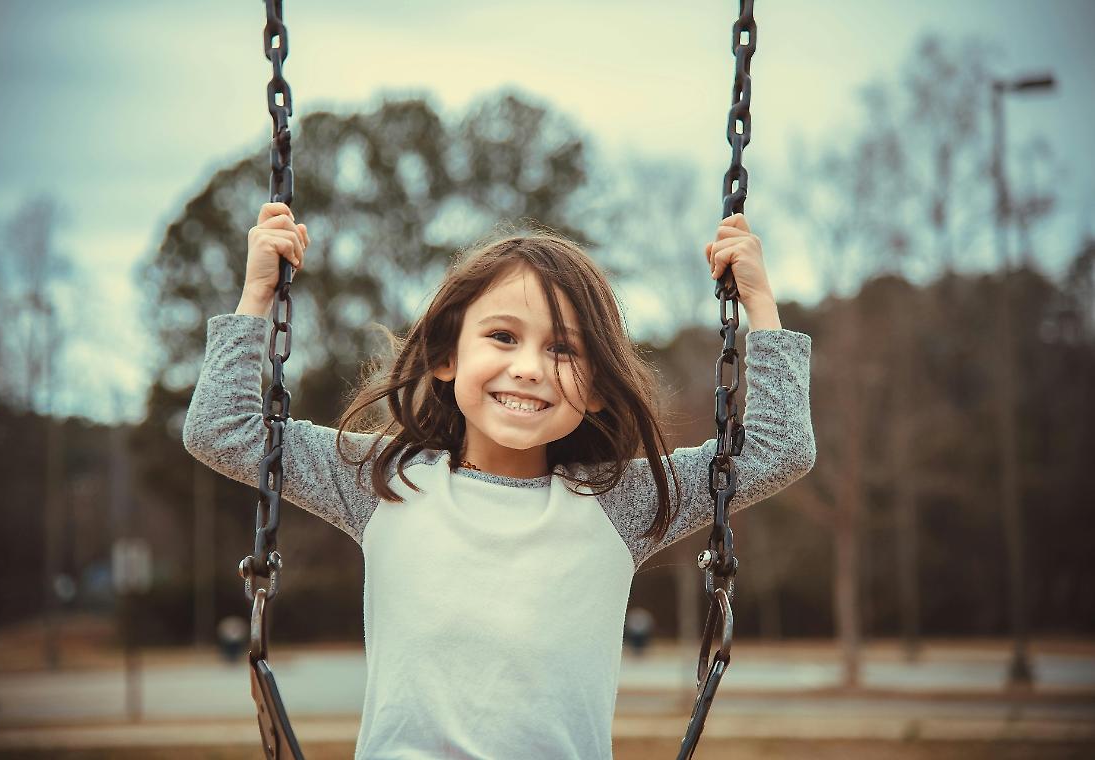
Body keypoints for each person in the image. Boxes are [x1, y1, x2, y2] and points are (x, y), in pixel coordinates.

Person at [183, 201, 815, 759]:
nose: (529, 368)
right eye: (503, 336)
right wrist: (256, 297)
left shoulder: (618, 500)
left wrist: (760, 305)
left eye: (564, 350)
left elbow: (777, 447)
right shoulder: (383, 481)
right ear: (446, 358)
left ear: (595, 388)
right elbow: (222, 429)